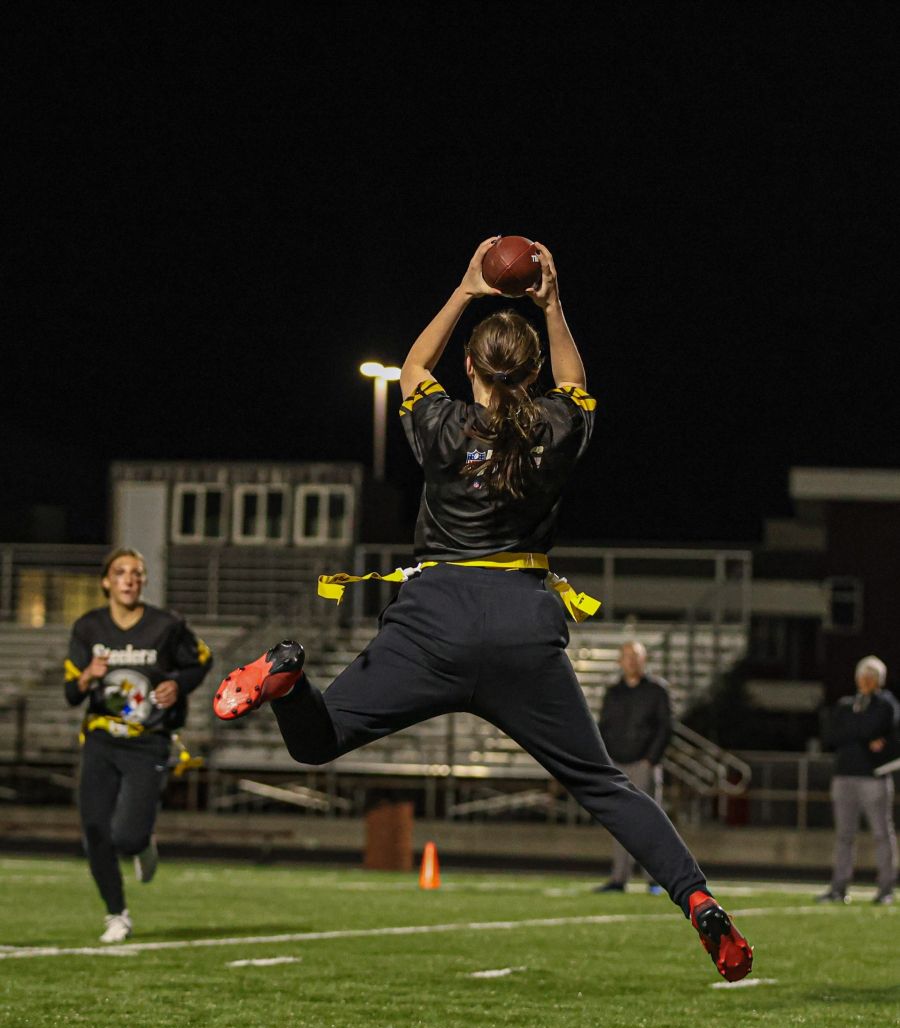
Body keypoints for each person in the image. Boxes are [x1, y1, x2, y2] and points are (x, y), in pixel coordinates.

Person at [213, 238, 753, 981]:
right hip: (520, 626)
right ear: (531, 374)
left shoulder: (440, 429)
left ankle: (288, 678)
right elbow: (576, 382)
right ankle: (697, 903)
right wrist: (553, 303)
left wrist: (468, 288)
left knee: (316, 741)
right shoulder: (555, 431)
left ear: (471, 367)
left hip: (434, 617)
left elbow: (410, 369)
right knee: (604, 787)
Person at [64, 548, 213, 942]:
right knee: (95, 830)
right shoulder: (88, 628)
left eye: (137, 573)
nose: (129, 579)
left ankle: (142, 842)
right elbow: (70, 693)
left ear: (144, 581)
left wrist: (177, 685)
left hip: (147, 742)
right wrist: (87, 677)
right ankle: (117, 914)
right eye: (120, 572)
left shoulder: (166, 626)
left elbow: (201, 660)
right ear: (106, 581)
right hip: (99, 740)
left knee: (126, 837)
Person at [817, 655, 899, 905]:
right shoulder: (845, 704)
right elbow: (831, 735)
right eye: (862, 675)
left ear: (879, 680)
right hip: (844, 776)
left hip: (873, 778)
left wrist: (855, 730)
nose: (864, 681)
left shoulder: (885, 703)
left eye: (870, 677)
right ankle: (838, 888)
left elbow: (873, 726)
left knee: (881, 833)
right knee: (844, 835)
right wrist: (862, 734)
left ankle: (886, 889)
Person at [595, 640, 672, 894]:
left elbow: (664, 727)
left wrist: (650, 759)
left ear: (644, 660)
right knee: (620, 822)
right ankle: (619, 878)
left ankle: (654, 879)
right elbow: (603, 727)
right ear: (620, 661)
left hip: (643, 763)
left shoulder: (657, 690)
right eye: (626, 656)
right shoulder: (613, 692)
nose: (631, 661)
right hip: (617, 763)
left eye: (636, 656)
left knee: (649, 821)